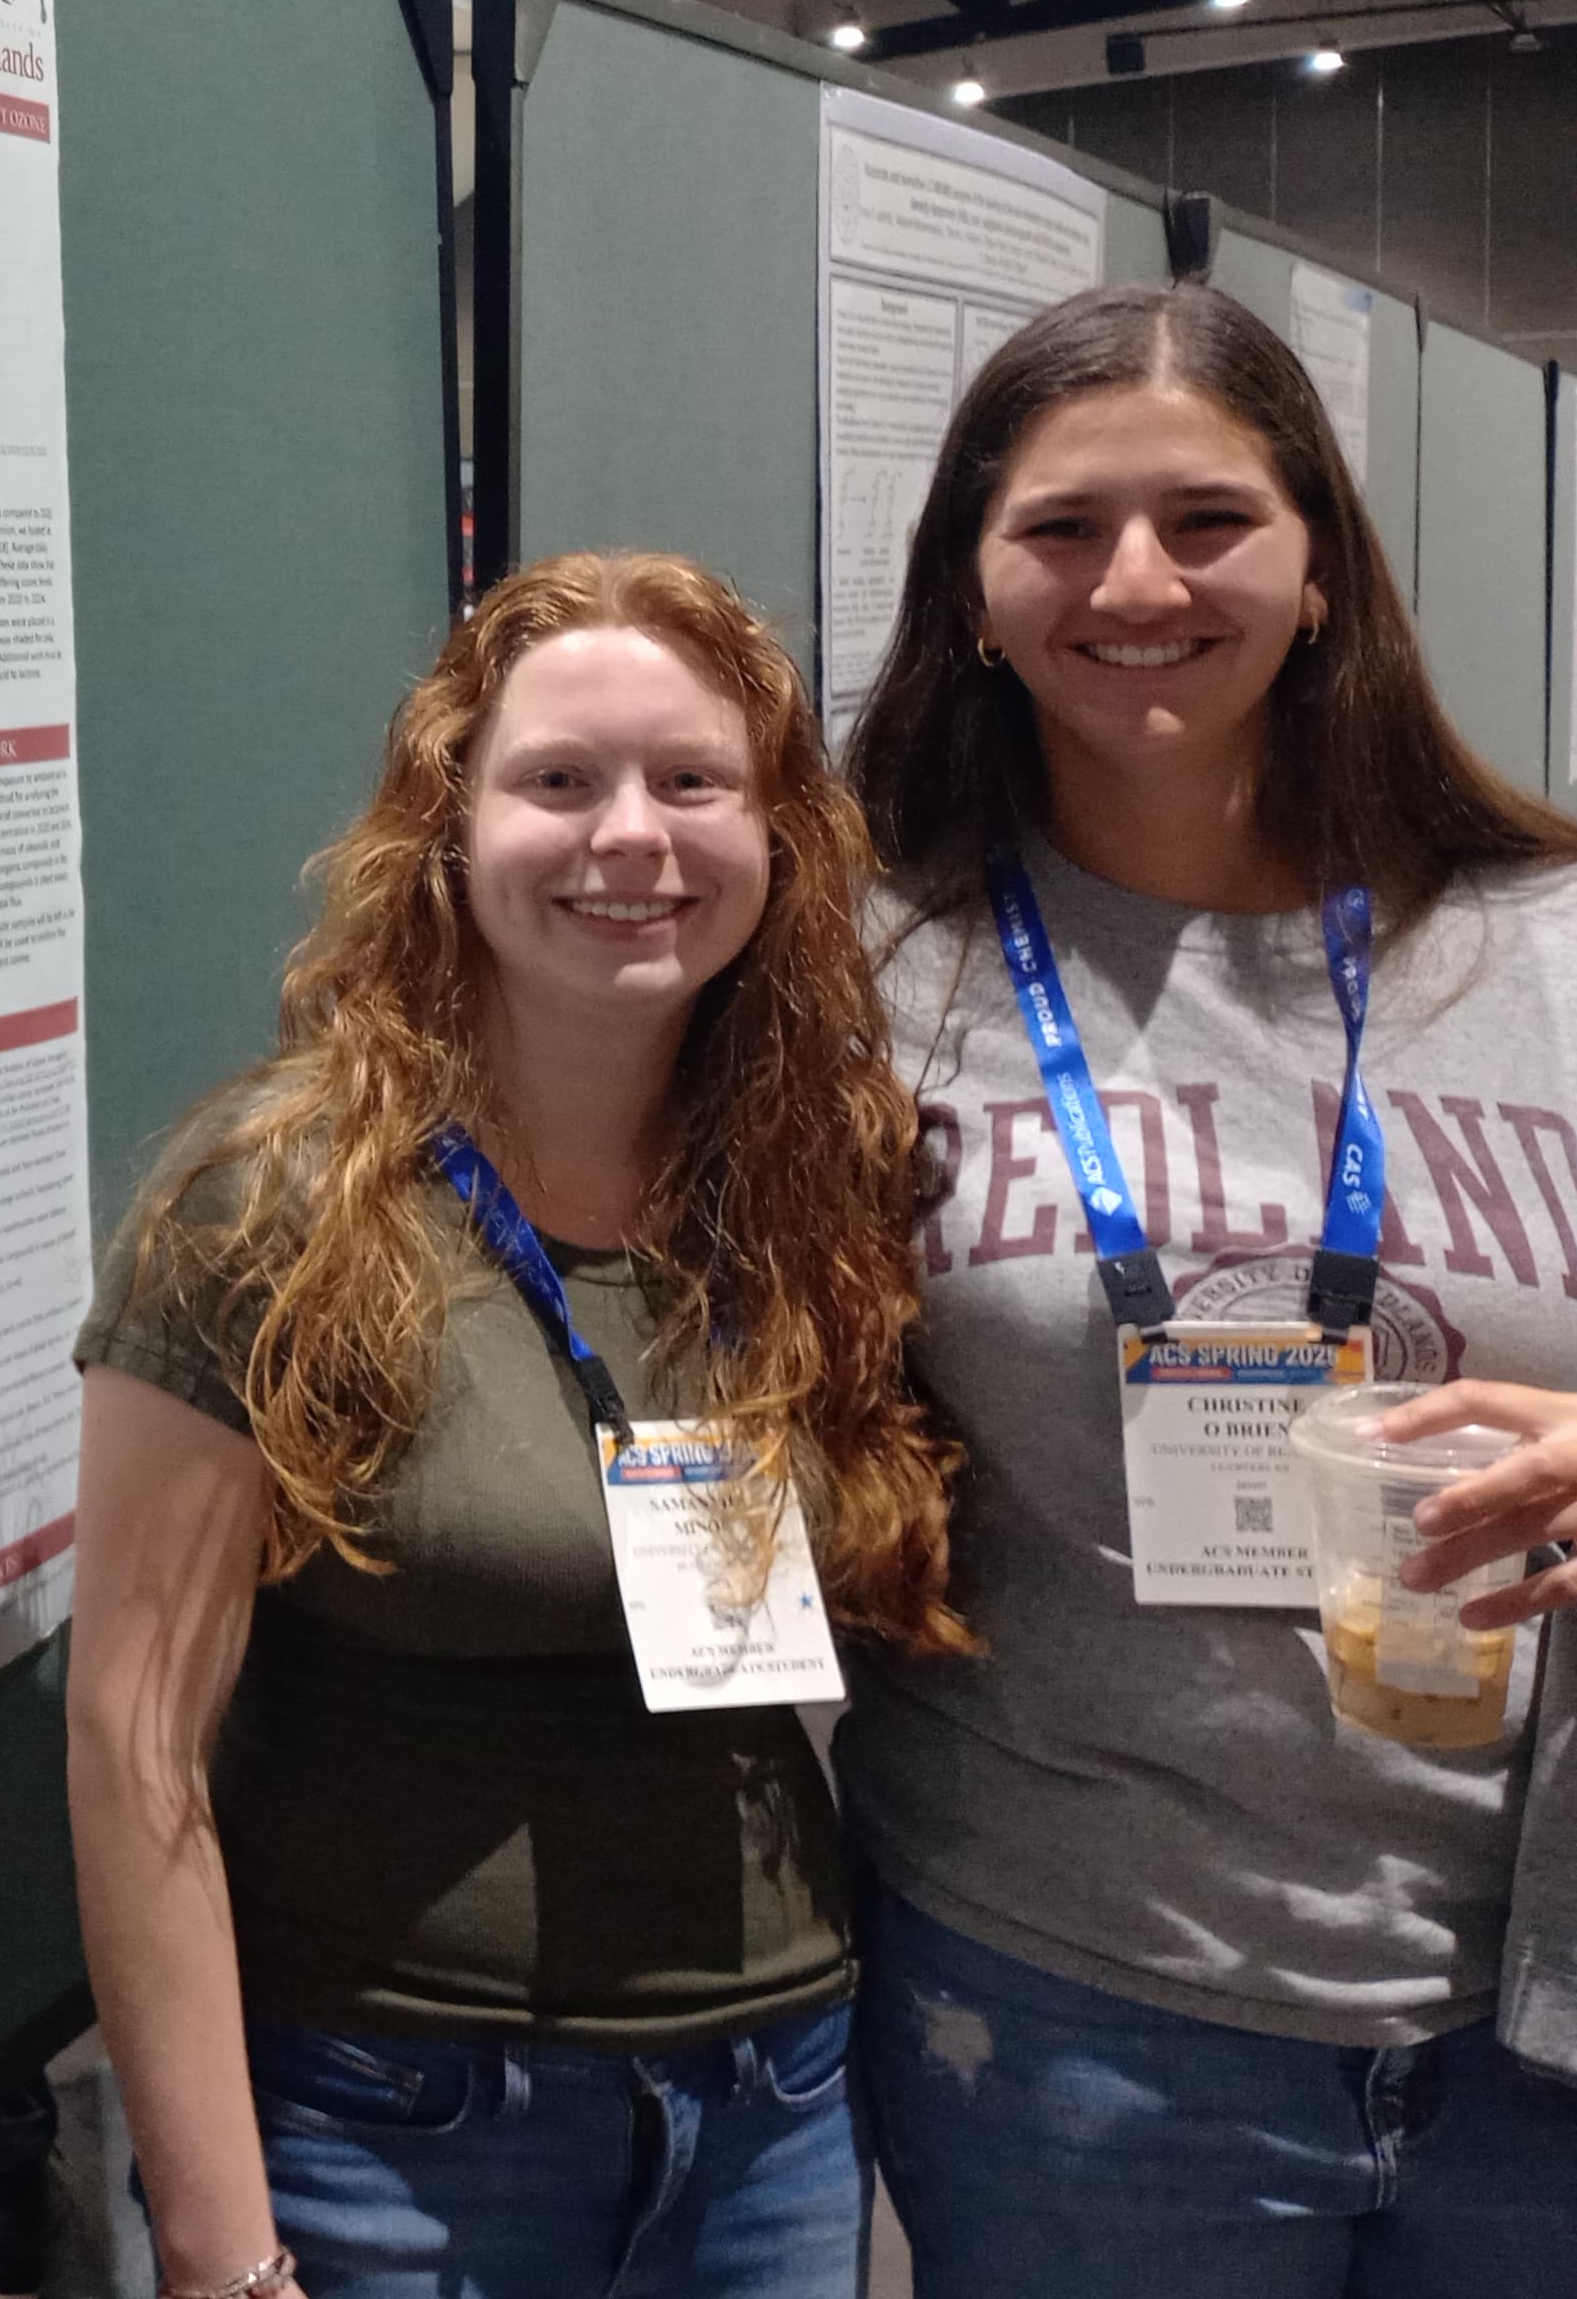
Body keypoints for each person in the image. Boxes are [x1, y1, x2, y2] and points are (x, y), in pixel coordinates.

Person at [70, 549, 968, 2299]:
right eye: (559, 781)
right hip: (388, 2131)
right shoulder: (280, 1211)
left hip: (773, 2114)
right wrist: (217, 2249)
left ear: (776, 835)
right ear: (448, 831)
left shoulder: (815, 1189)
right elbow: (130, 1754)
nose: (630, 837)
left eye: (693, 782)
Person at [841, 278, 1577, 2290]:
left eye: (1209, 520)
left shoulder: (1545, 944)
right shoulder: (866, 967)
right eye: (1063, 528)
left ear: (1323, 568)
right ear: (971, 588)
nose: (1136, 581)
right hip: (1078, 2000)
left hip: (1537, 1998)